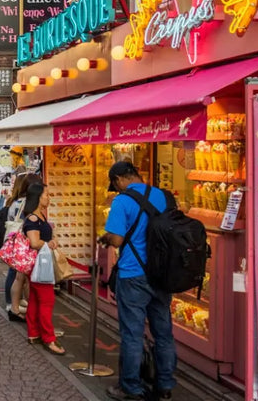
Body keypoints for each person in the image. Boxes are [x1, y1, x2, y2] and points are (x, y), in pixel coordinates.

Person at [100, 162, 176, 401]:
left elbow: (117, 240)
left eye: (115, 184)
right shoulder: (164, 196)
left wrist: (107, 237)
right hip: (162, 275)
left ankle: (131, 387)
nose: (117, 188)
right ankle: (165, 385)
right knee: (163, 333)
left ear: (119, 178)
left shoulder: (122, 201)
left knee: (132, 333)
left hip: (133, 274)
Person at [22, 182, 64, 355]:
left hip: (37, 264)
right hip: (40, 265)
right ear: (38, 198)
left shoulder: (38, 216)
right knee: (47, 301)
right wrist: (50, 243)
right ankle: (49, 338)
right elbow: (34, 242)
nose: (49, 197)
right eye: (46, 194)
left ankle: (33, 333)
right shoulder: (33, 219)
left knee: (34, 299)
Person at [4, 173, 44, 321]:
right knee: (20, 276)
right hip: (24, 244)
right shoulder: (27, 204)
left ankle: (13, 304)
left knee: (16, 275)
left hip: (16, 243)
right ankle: (15, 305)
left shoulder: (15, 202)